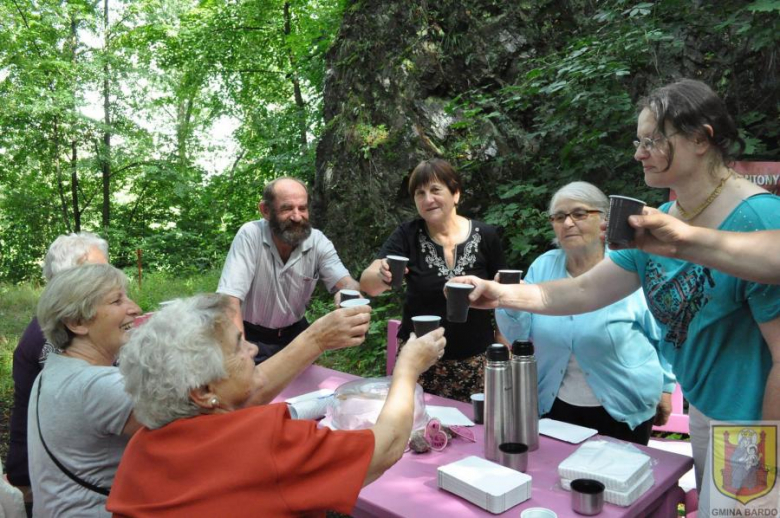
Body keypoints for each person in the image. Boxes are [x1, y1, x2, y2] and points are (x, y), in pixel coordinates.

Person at [452, 79, 780, 506]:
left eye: (652, 141)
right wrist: (498, 293)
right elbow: (583, 291)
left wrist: (765, 457)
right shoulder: (662, 219)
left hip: (751, 424)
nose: (638, 153)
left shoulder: (756, 217)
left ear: (701, 139)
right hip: (707, 411)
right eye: (637, 141)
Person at [106, 293, 446, 517]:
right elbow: (384, 447)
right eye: (238, 346)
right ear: (203, 390)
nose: (253, 350)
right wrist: (407, 369)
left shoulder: (139, 449)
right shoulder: (264, 438)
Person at [496, 181, 675, 445]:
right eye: (559, 217)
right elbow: (517, 336)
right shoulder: (543, 266)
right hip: (554, 404)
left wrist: (666, 387)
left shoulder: (626, 266)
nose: (567, 223)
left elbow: (663, 331)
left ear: (605, 219)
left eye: (579, 214)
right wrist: (509, 299)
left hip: (625, 406)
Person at [360, 158, 506, 401]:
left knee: (477, 433)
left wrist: (503, 350)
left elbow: (504, 295)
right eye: (420, 193)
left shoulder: (486, 236)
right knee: (415, 431)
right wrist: (381, 274)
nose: (428, 199)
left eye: (436, 190)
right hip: (419, 362)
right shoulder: (408, 234)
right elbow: (367, 283)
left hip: (476, 361)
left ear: (456, 194)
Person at [28, 264, 142, 517]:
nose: (135, 308)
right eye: (117, 301)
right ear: (77, 322)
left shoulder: (54, 371)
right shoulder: (99, 385)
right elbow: (198, 434)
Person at [6, 232, 108, 514]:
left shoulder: (62, 324)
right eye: (100, 272)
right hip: (64, 488)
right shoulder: (51, 336)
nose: (109, 277)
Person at [217, 177, 362, 363]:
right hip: (251, 338)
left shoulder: (317, 241)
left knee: (304, 391)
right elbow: (229, 300)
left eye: (302, 208)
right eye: (287, 208)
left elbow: (347, 282)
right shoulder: (250, 235)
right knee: (250, 392)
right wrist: (239, 355)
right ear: (266, 211)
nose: (297, 217)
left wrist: (348, 292)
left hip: (296, 338)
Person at [616, 209, 780, 284]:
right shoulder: (665, 210)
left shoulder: (760, 211)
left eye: (653, 140)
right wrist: (679, 243)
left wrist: (681, 242)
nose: (639, 155)